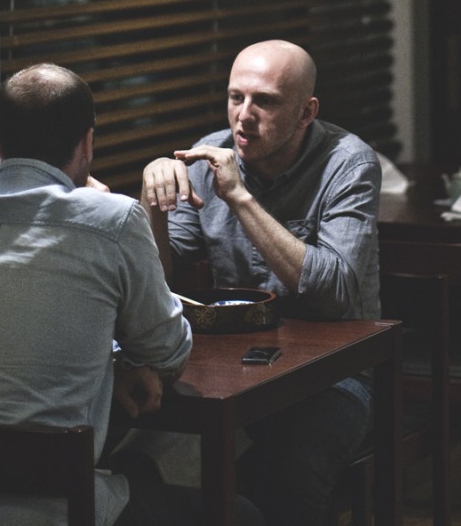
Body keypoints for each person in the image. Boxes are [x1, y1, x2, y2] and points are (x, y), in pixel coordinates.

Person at [0, 63, 259, 526]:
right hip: (47, 508)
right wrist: (120, 362)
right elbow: (169, 355)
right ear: (88, 142)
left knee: (133, 468)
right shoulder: (112, 219)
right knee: (242, 515)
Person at [139, 39, 382, 526]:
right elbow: (161, 279)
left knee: (291, 475)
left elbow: (333, 291)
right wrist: (152, 207)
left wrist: (240, 197)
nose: (244, 116)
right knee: (147, 449)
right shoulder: (211, 155)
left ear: (305, 112)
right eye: (236, 97)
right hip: (238, 367)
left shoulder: (349, 163)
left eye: (264, 102)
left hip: (334, 373)